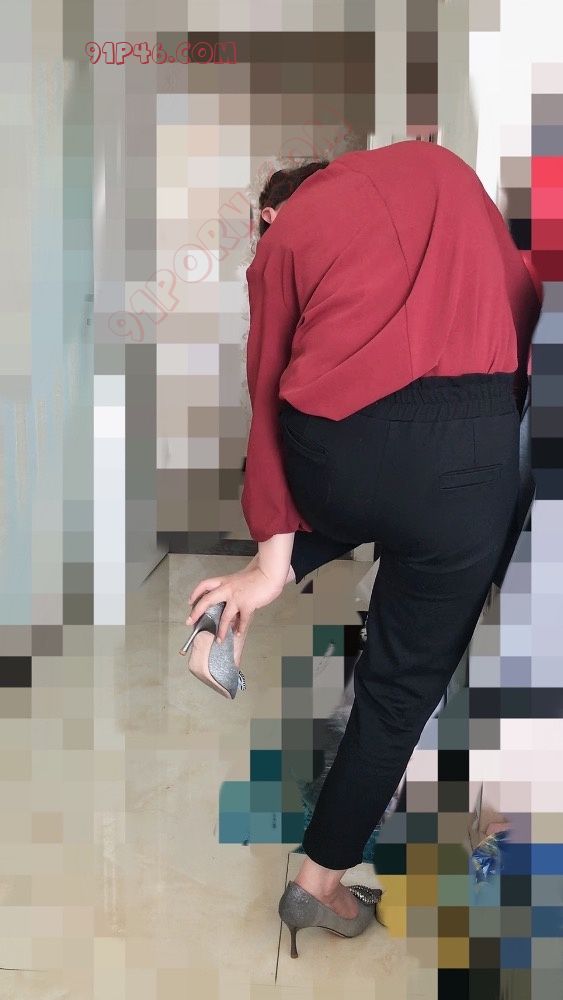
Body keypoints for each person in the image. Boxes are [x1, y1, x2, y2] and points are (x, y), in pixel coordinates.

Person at [184, 141, 543, 955]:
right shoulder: (440, 171)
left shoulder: (287, 233)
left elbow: (267, 388)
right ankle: (317, 885)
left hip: (336, 452)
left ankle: (232, 605)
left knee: (341, 502)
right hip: (471, 451)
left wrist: (270, 553)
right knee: (397, 688)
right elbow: (527, 310)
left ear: (271, 211)